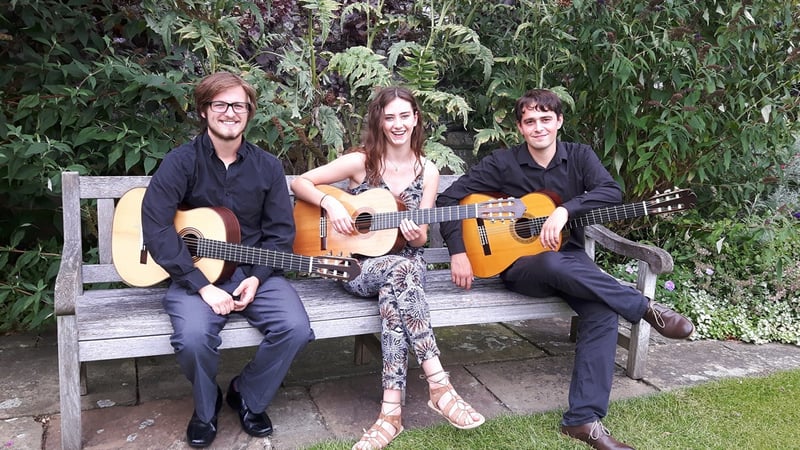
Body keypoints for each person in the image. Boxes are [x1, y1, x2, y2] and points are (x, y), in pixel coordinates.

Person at [436, 89, 694, 450]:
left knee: (602, 310)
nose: (538, 127)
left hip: (571, 264)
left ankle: (583, 421)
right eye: (530, 121)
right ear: (520, 128)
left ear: (558, 121)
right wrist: (459, 252)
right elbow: (448, 199)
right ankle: (642, 307)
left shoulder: (579, 156)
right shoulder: (502, 163)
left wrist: (564, 210)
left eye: (546, 119)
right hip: (521, 268)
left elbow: (610, 191)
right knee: (547, 259)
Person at [291, 86, 485, 450]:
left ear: (416, 119)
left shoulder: (427, 171)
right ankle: (439, 386)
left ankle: (389, 414)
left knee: (396, 296)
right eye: (389, 116)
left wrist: (412, 234)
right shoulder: (361, 162)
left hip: (404, 266)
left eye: (404, 116)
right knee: (400, 275)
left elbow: (420, 238)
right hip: (353, 266)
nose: (397, 124)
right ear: (379, 121)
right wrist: (331, 206)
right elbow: (301, 182)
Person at [141, 72, 315, 448]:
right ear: (204, 111)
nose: (229, 112)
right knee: (191, 338)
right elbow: (155, 226)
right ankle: (206, 410)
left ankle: (247, 394)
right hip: (193, 277)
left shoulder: (268, 166)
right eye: (220, 104)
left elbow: (280, 234)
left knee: (296, 328)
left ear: (249, 113)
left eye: (238, 105)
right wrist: (201, 286)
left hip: (253, 273)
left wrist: (258, 276)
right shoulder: (180, 162)